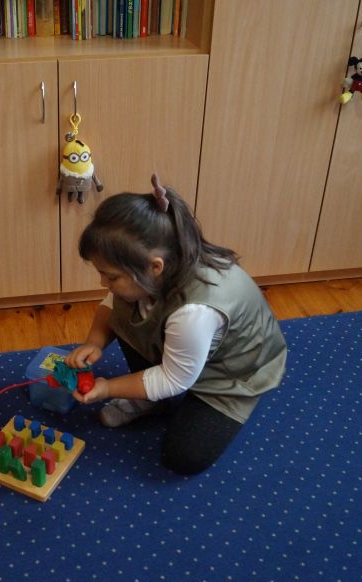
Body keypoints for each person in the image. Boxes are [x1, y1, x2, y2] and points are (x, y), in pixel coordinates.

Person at [65, 174, 288, 475]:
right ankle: (151, 400)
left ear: (154, 267)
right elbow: (112, 305)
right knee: (128, 311)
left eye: (111, 276)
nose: (103, 282)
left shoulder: (193, 313)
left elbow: (174, 379)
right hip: (186, 349)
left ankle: (158, 395)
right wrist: (94, 341)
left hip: (231, 373)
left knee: (183, 457)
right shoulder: (149, 270)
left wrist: (107, 388)